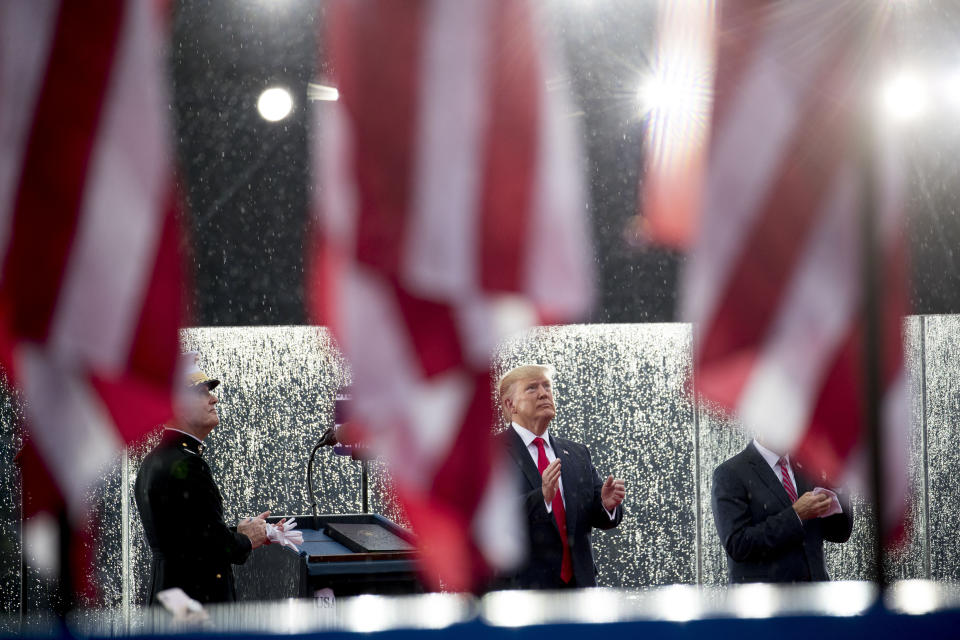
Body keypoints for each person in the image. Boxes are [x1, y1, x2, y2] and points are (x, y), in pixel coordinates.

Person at [135, 351, 270, 604]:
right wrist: (246, 539)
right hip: (195, 604)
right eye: (203, 393)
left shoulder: (156, 460)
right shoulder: (187, 464)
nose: (214, 399)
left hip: (172, 599)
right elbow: (212, 547)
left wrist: (236, 532)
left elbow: (190, 537)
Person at [495, 364, 625, 589]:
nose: (544, 393)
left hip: (578, 590)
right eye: (532, 388)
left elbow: (597, 517)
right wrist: (542, 497)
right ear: (510, 404)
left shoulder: (576, 453)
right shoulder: (490, 453)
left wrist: (605, 504)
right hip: (522, 591)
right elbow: (491, 518)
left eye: (547, 386)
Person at [712, 437, 853, 583]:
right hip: (767, 599)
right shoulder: (730, 473)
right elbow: (738, 544)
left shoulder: (808, 466)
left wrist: (836, 484)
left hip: (814, 596)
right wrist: (796, 515)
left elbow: (839, 533)